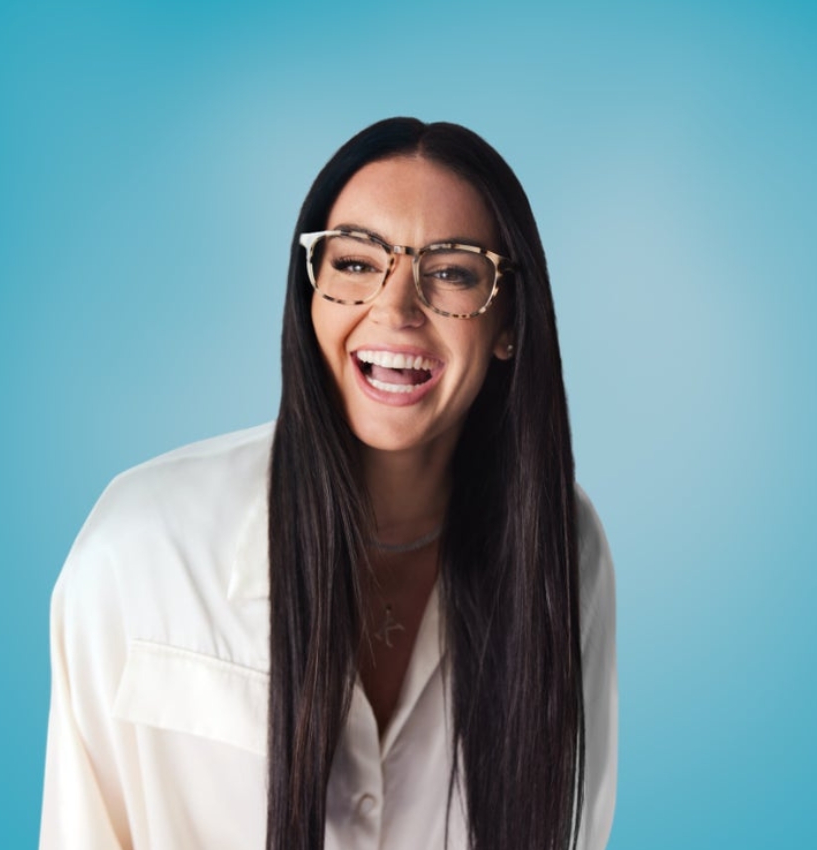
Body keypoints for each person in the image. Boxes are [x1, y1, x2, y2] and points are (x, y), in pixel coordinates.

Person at [39, 117, 617, 850]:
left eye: (452, 271)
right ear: (309, 292)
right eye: (354, 263)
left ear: (509, 323)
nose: (397, 310)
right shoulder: (140, 548)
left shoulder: (565, 552)